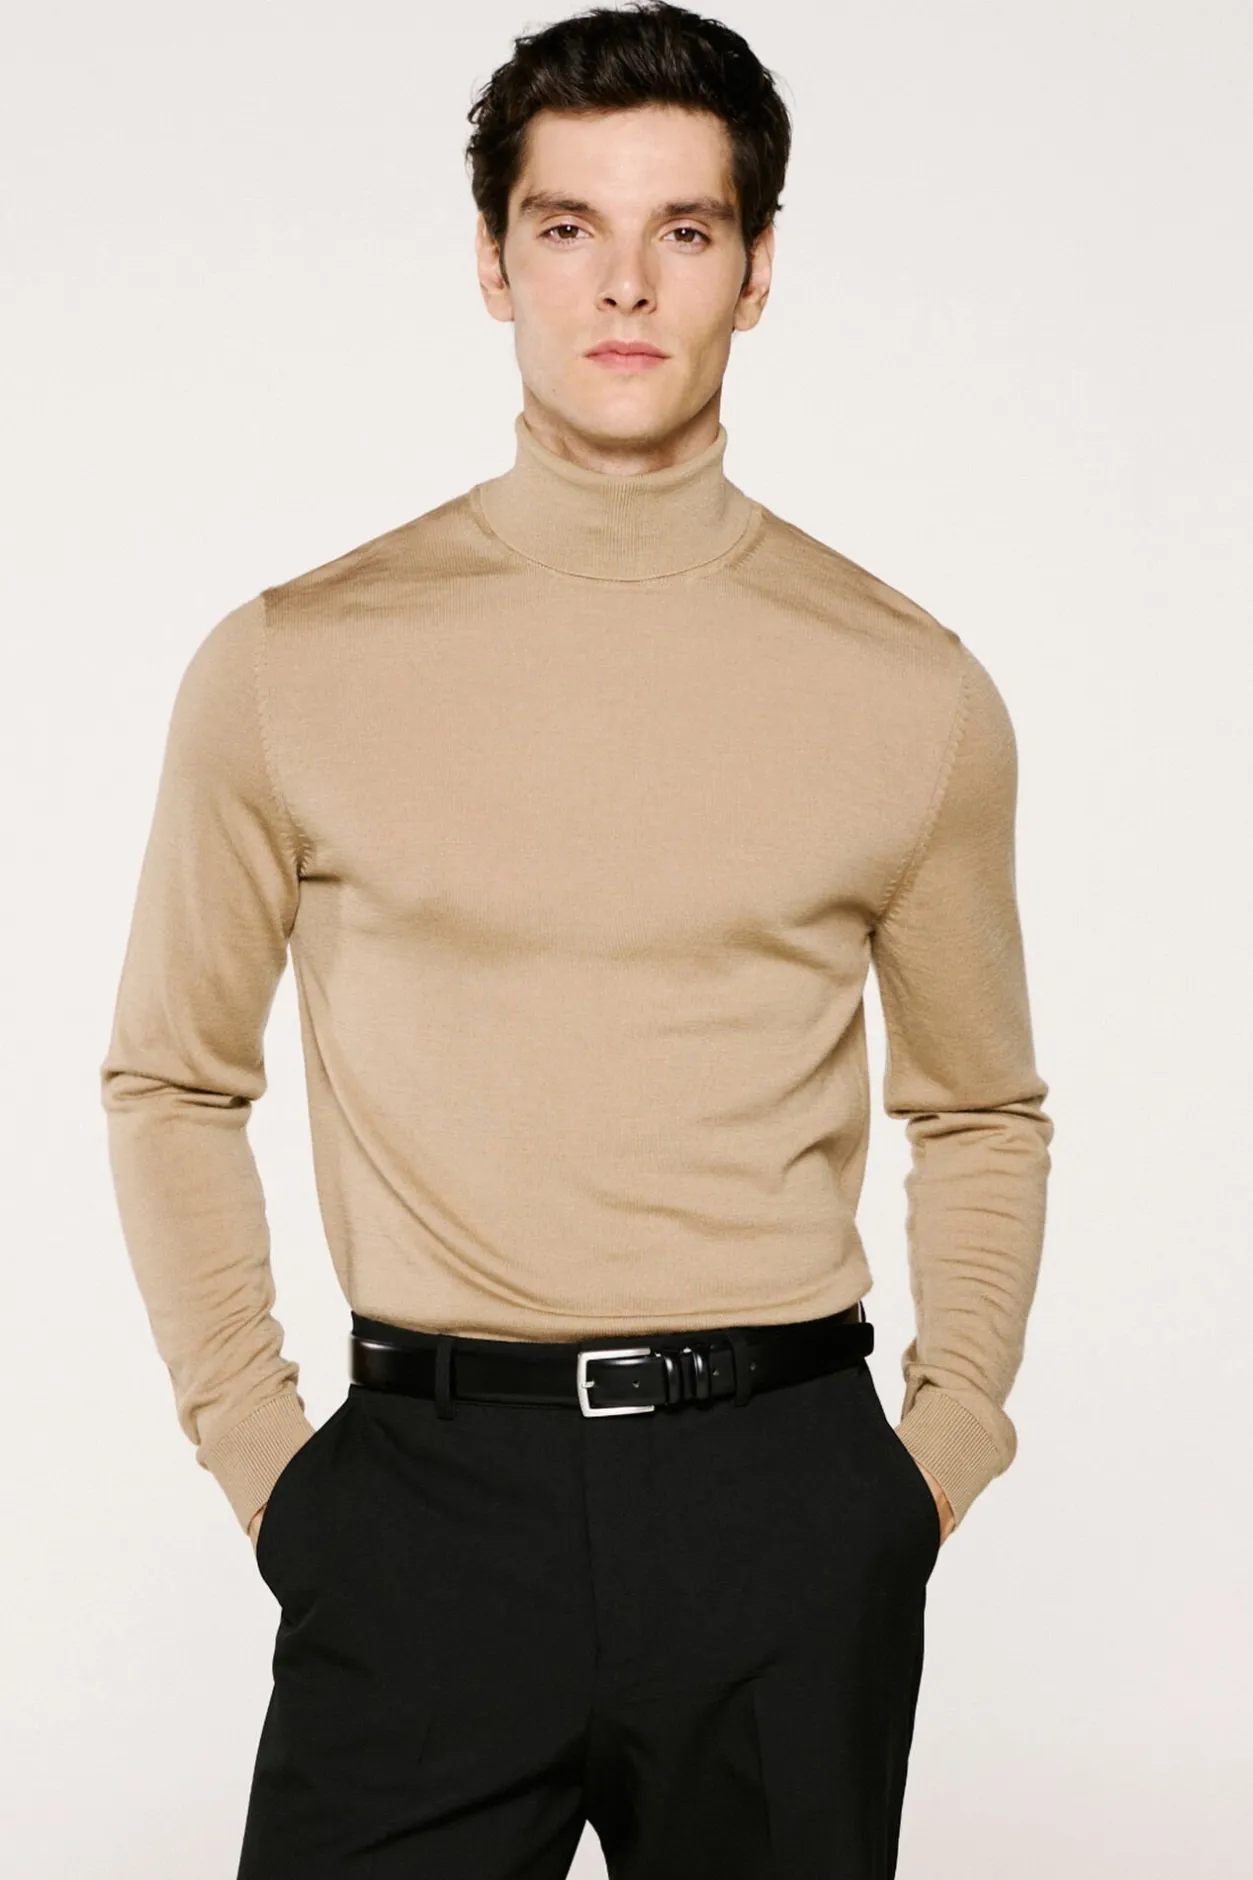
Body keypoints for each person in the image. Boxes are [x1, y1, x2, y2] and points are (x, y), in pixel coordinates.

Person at [99, 4, 1054, 1875]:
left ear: (755, 271)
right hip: (424, 1503)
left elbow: (982, 1108)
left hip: (783, 1498)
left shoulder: (909, 688)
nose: (625, 284)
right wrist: (270, 1471)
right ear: (493, 260)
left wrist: (933, 1459)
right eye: (568, 227)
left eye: (684, 229)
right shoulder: (293, 666)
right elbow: (170, 1079)